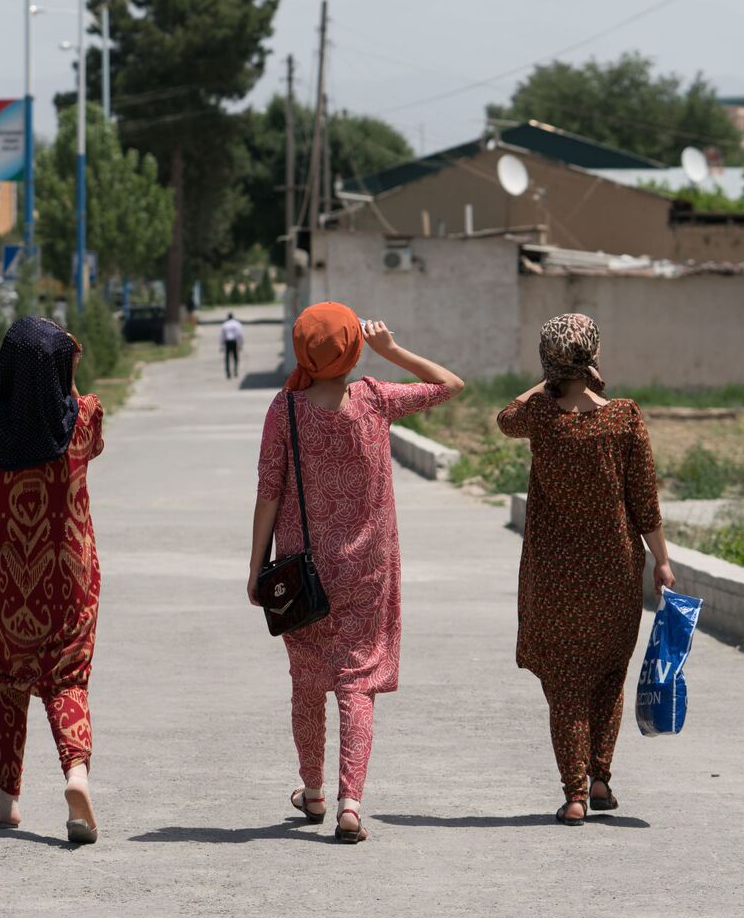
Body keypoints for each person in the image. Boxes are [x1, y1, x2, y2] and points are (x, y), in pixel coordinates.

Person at [248, 303, 464, 844]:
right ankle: (350, 803)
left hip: (303, 574)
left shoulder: (286, 409)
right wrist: (391, 350)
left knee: (307, 681)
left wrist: (256, 569)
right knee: (356, 683)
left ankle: (312, 791)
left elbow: (269, 492)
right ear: (353, 348)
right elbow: (449, 385)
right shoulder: (373, 398)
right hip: (368, 569)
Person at [496, 312, 673, 827]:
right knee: (606, 679)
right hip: (614, 572)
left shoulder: (540, 417)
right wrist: (662, 560)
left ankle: (574, 795)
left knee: (566, 684)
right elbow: (645, 501)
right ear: (594, 357)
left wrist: (549, 379)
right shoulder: (624, 417)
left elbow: (505, 416)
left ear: (549, 362)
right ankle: (600, 778)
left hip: (553, 576)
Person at [0, 317, 106, 844]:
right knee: (67, 678)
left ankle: (7, 801)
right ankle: (76, 777)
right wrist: (67, 385)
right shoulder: (82, 417)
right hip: (69, 574)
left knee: (6, 677)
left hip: (0, 578)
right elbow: (92, 445)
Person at [220, 312, 244, 379]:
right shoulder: (237, 324)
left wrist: (221, 345)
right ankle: (235, 370)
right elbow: (240, 334)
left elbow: (222, 336)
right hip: (234, 341)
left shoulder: (225, 324)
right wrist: (241, 343)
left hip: (227, 342)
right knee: (235, 357)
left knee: (227, 358)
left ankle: (228, 373)